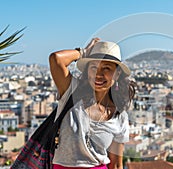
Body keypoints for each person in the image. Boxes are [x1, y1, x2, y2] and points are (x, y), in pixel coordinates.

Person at [49, 38, 135, 169]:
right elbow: (56, 59)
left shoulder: (119, 116)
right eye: (93, 67)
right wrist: (83, 52)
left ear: (117, 74)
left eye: (106, 68)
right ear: (87, 71)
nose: (98, 74)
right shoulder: (71, 93)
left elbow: (116, 164)